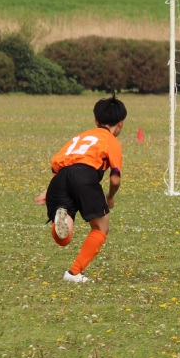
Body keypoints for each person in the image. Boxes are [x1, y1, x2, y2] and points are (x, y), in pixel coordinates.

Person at [42, 96, 127, 283]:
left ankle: (60, 220)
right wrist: (110, 197)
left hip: (59, 179)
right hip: (85, 176)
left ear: (96, 120)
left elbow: (60, 165)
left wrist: (49, 192)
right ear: (121, 123)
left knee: (64, 239)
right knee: (101, 227)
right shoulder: (111, 141)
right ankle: (73, 273)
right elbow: (115, 179)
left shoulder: (80, 137)